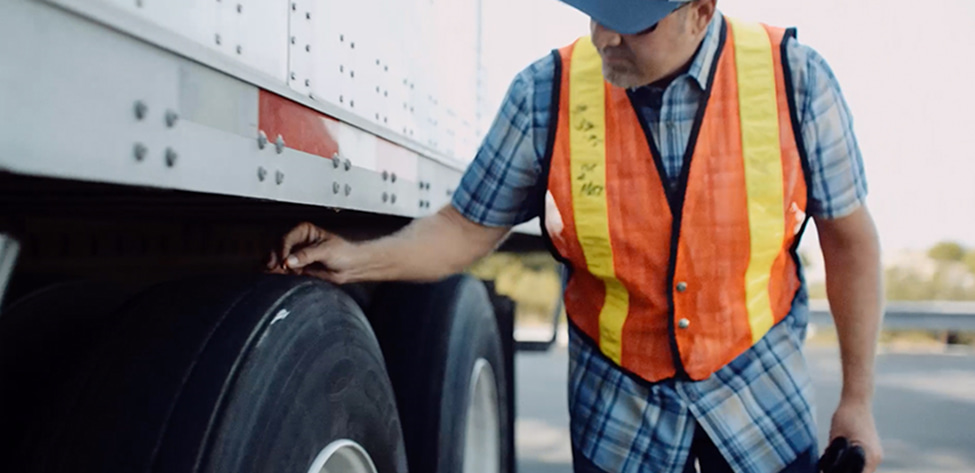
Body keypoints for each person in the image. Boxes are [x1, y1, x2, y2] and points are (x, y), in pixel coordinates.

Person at [267, 1, 884, 472]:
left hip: (757, 390)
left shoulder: (792, 79)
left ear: (700, 11)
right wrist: (356, 260)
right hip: (620, 401)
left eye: (631, 21)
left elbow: (848, 239)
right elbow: (462, 228)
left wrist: (856, 400)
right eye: (596, 13)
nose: (604, 37)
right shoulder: (546, 92)